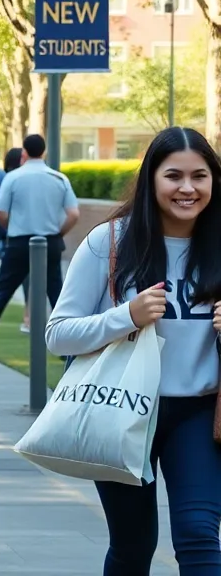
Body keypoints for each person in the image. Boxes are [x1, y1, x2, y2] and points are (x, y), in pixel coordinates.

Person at [48, 126, 221, 574]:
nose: (187, 188)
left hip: (199, 414)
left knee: (200, 534)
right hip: (120, 409)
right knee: (133, 544)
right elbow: (58, 334)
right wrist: (125, 315)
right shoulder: (109, 242)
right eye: (174, 176)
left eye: (199, 176)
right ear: (152, 180)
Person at [0, 134, 80, 356]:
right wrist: (58, 233)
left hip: (20, 242)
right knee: (57, 294)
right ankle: (69, 349)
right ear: (44, 151)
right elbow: (73, 214)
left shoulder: (13, 178)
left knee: (1, 291)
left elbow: (1, 213)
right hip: (50, 241)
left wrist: (14, 227)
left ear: (24, 153)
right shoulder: (59, 179)